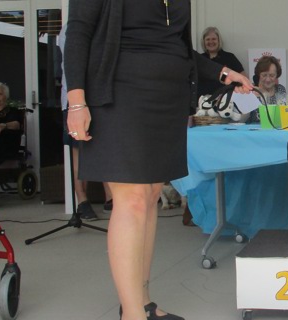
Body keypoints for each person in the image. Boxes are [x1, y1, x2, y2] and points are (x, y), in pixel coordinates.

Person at [64, 1, 253, 319]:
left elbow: (174, 46)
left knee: (150, 196)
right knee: (133, 200)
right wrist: (76, 102)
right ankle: (132, 315)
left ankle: (141, 302)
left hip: (167, 97)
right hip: (119, 92)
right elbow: (80, 31)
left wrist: (221, 71)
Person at [58, 25, 112, 221]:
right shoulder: (69, 30)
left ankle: (110, 197)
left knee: (105, 148)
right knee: (79, 152)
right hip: (76, 102)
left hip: (100, 99)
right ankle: (82, 200)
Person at [198, 26, 246, 96]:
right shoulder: (200, 59)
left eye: (214, 39)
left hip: (225, 102)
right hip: (202, 102)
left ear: (218, 41)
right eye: (207, 39)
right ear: (204, 42)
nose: (211, 42)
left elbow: (243, 78)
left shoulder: (229, 58)